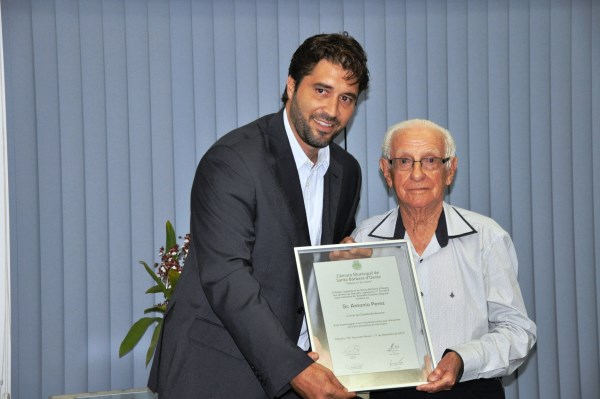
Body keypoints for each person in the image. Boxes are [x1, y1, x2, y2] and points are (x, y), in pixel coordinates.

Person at [147, 32, 370, 399]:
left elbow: (318, 268)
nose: (332, 110)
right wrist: (293, 368)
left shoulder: (347, 171)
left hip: (299, 368)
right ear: (292, 84)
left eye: (346, 98)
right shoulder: (233, 161)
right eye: (321, 90)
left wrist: (344, 264)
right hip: (216, 372)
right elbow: (227, 277)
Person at [349, 119, 537, 399]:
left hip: (471, 389)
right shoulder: (364, 239)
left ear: (450, 171)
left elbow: (517, 331)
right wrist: (333, 275)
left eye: (430, 160)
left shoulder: (486, 237)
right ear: (386, 172)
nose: (416, 174)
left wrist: (461, 360)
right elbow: (352, 327)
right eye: (403, 161)